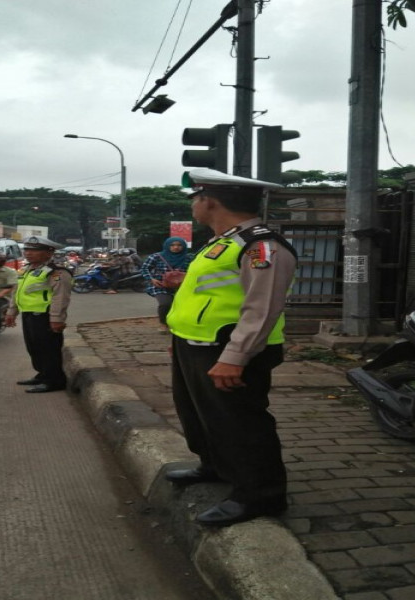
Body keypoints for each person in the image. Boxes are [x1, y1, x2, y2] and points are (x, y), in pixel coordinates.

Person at [164, 168, 298, 527]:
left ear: (210, 200)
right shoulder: (222, 241)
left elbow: (263, 307)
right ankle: (216, 466)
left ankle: (260, 495)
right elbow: (222, 290)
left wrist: (235, 359)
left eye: (195, 197)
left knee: (240, 423)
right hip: (197, 345)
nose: (193, 204)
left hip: (231, 350)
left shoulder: (260, 245)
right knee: (199, 415)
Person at [5, 236, 73, 393]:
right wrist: (11, 311)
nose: (29, 253)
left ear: (49, 253)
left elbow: (60, 297)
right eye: (27, 250)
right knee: (34, 347)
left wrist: (56, 319)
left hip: (46, 316)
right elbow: (17, 291)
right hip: (29, 314)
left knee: (48, 349)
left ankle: (54, 380)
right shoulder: (27, 270)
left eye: (35, 250)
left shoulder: (57, 272)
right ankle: (42, 374)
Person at [140, 237, 193, 332]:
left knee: (181, 305)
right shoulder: (156, 257)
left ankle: (178, 324)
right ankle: (163, 323)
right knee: (165, 304)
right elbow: (144, 268)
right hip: (161, 285)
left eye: (179, 245)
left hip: (182, 286)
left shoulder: (189, 258)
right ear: (167, 246)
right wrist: (151, 279)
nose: (176, 247)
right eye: (172, 245)